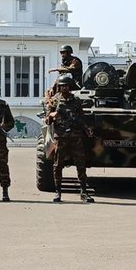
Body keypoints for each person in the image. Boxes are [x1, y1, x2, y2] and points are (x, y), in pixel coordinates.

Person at [45, 74, 94, 203]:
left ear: (70, 87)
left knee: (81, 164)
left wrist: (86, 130)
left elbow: (82, 118)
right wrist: (52, 115)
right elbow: (47, 121)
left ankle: (83, 191)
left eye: (66, 86)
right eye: (62, 86)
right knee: (58, 165)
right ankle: (58, 192)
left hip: (76, 137)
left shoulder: (76, 101)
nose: (64, 88)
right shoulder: (54, 101)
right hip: (61, 137)